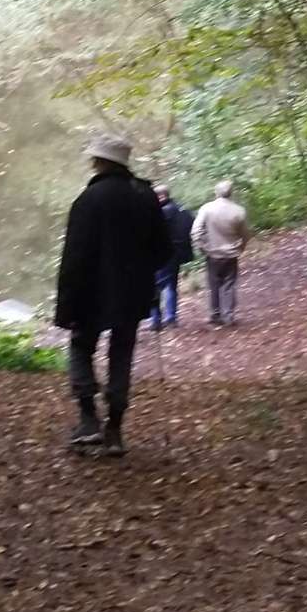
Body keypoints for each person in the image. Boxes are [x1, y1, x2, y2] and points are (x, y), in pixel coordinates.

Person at [53, 133, 168, 458]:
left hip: (90, 293)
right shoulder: (145, 196)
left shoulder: (88, 200)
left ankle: (88, 419)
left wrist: (65, 304)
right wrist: (142, 274)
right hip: (132, 294)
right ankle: (115, 429)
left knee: (81, 347)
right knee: (122, 353)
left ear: (98, 162)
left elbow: (74, 256)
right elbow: (163, 249)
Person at [189, 177, 250, 326]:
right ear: (231, 193)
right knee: (229, 284)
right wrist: (240, 248)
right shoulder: (239, 211)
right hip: (231, 254)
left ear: (216, 192)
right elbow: (245, 235)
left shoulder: (207, 209)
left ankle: (215, 314)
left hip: (212, 253)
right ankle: (228, 315)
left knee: (213, 284)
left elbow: (196, 231)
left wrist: (202, 247)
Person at [152, 183, 195, 329]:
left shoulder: (159, 213)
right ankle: (170, 317)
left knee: (155, 287)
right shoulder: (182, 209)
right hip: (177, 254)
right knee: (171, 285)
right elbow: (191, 227)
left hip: (160, 254)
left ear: (161, 196)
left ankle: (156, 320)